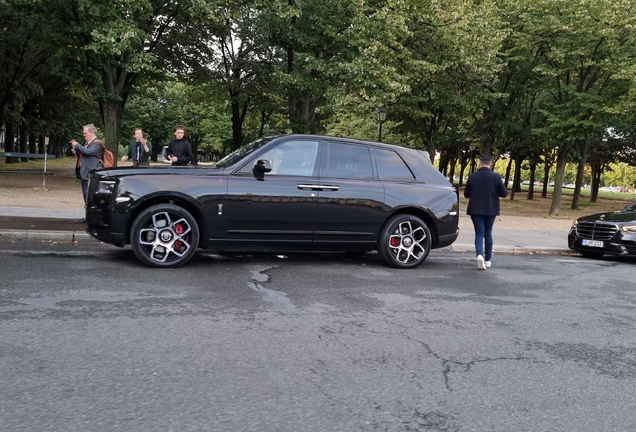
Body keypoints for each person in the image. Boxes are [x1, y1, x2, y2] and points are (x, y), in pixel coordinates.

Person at [463, 154, 508, 270]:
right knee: (488, 233)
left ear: (479, 163)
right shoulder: (496, 177)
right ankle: (488, 259)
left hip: (476, 209)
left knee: (479, 233)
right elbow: (504, 193)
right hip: (491, 209)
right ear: (491, 164)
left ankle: (479, 255)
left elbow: (466, 194)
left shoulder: (472, 177)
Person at [70, 124, 104, 223]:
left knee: (90, 195)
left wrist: (77, 145)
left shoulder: (97, 143)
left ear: (91, 132)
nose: (84, 135)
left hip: (91, 173)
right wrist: (76, 151)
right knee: (86, 195)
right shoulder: (88, 142)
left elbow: (88, 152)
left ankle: (93, 218)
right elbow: (84, 153)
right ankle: (88, 217)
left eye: (85, 133)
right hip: (85, 172)